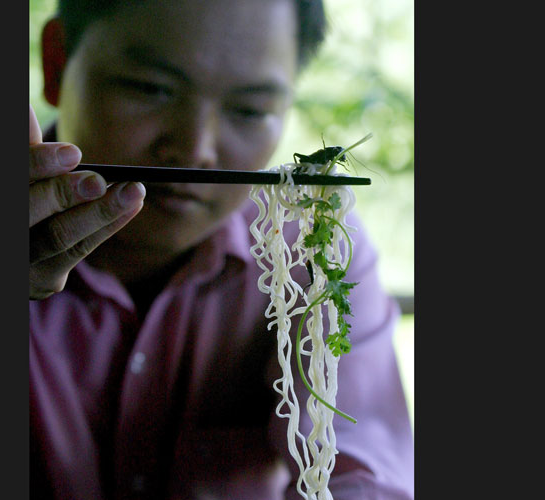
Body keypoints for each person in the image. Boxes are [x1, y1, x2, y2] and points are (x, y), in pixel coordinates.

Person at [29, 0, 414, 498]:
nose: (196, 149)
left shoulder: (312, 252)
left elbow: (369, 474)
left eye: (250, 110)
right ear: (58, 63)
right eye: (152, 88)